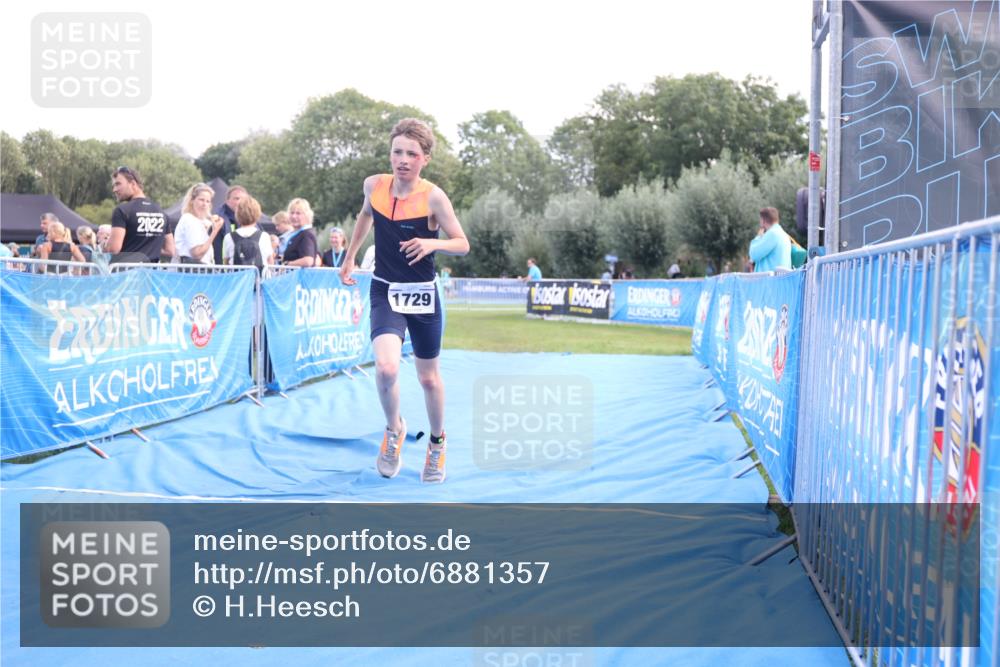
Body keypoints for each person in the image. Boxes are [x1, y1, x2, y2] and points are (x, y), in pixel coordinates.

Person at [340, 118, 469, 484]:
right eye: (398, 152)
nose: (403, 159)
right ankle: (394, 430)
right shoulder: (374, 186)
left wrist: (433, 242)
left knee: (428, 379)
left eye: (412, 154)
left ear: (424, 158)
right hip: (385, 289)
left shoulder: (433, 197)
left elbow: (462, 242)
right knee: (386, 368)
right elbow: (365, 216)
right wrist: (350, 255)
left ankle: (437, 443)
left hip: (422, 294)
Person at [107, 166, 174, 263]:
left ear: (133, 184)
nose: (114, 189)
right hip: (150, 274)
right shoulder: (161, 212)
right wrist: (148, 251)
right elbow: (170, 250)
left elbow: (114, 249)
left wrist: (105, 245)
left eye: (118, 184)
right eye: (114, 186)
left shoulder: (122, 210)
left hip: (125, 274)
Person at [174, 183, 225, 265]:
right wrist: (214, 231)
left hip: (202, 270)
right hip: (191, 272)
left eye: (208, 201)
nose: (204, 204)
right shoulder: (188, 219)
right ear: (192, 201)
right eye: (201, 200)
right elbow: (197, 254)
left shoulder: (206, 222)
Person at [223, 195, 272, 270]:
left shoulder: (229, 237)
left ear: (237, 214)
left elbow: (226, 262)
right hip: (258, 279)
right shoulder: (264, 236)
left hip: (237, 279)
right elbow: (270, 261)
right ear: (257, 214)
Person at [748, 206, 792, 273]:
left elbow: (753, 254)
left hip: (770, 281)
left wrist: (758, 237)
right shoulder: (784, 235)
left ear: (763, 220)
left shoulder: (772, 234)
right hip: (780, 279)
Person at [212, 185, 247, 264]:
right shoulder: (220, 219)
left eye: (243, 199)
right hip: (224, 267)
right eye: (237, 198)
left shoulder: (250, 220)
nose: (240, 202)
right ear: (227, 200)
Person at [282, 198, 318, 266]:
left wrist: (288, 264)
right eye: (292, 213)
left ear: (307, 215)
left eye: (298, 213)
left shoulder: (306, 234)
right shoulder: (297, 233)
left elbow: (308, 261)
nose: (294, 216)